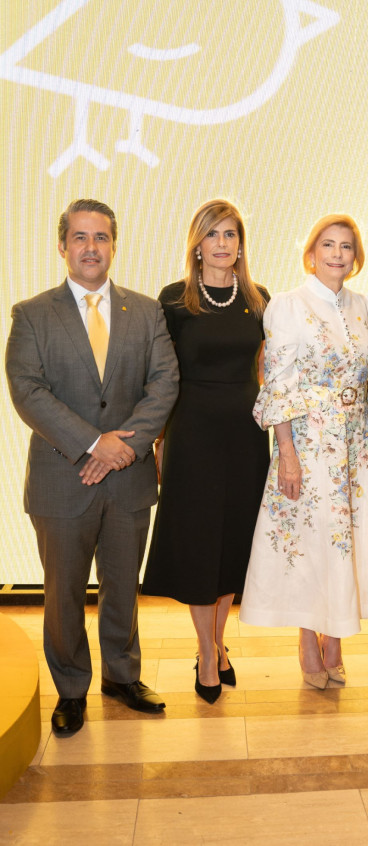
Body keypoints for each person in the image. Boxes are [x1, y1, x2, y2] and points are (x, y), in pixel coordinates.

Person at [5, 198, 179, 736]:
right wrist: (92, 444)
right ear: (63, 246)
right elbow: (27, 391)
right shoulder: (32, 313)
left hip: (128, 477)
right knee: (62, 594)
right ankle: (71, 689)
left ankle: (122, 678)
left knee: (123, 587)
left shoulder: (146, 311)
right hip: (63, 479)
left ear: (113, 245)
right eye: (79, 237)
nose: (90, 247)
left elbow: (164, 383)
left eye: (100, 237)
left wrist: (123, 448)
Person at [239, 214, 368, 689]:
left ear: (356, 257)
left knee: (346, 540)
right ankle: (308, 640)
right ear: (311, 253)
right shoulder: (288, 306)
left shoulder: (362, 304)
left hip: (355, 445)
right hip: (309, 445)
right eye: (328, 245)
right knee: (312, 541)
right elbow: (277, 384)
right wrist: (286, 453)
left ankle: (336, 636)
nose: (337, 253)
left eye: (347, 246)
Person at [142, 199, 270, 704]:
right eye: (213, 234)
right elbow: (160, 377)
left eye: (231, 234)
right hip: (191, 435)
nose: (223, 243)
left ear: (240, 244)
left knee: (232, 542)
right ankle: (206, 652)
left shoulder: (260, 299)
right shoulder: (173, 301)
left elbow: (268, 370)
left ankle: (217, 644)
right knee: (199, 545)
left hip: (244, 434)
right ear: (197, 243)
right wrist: (157, 439)